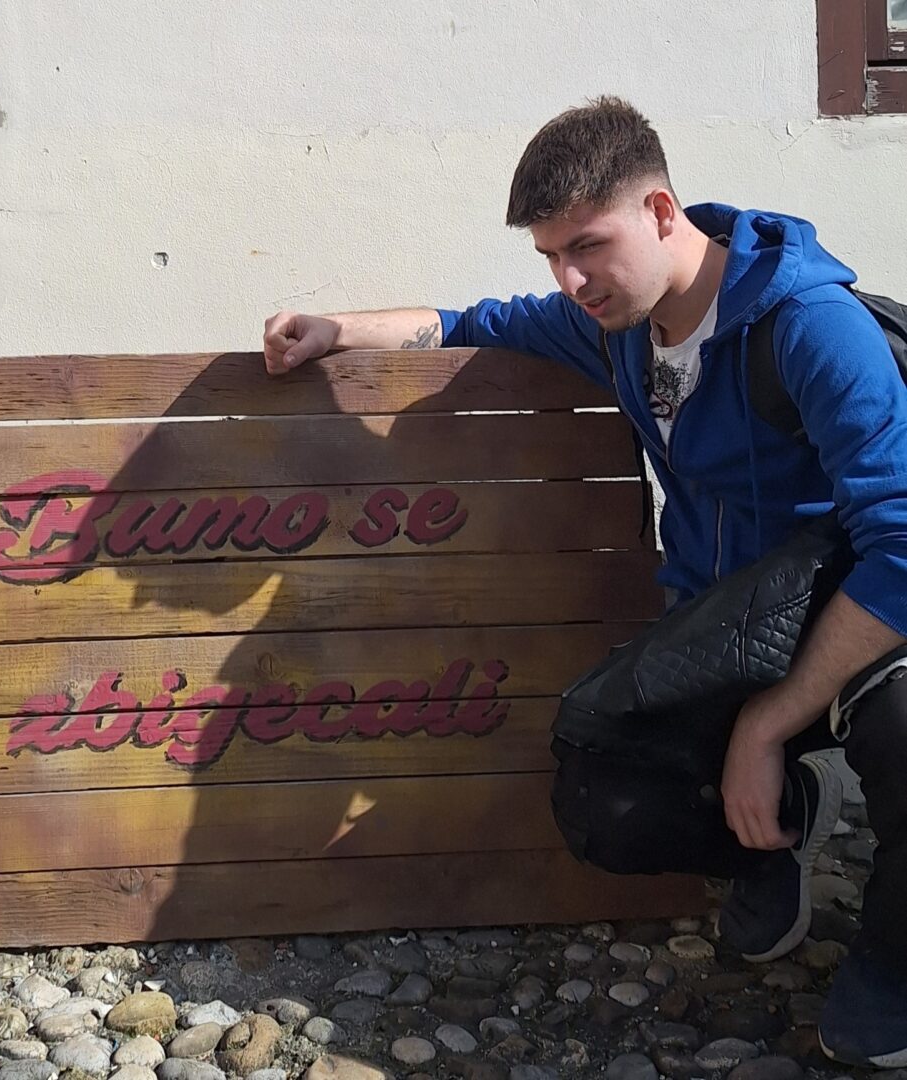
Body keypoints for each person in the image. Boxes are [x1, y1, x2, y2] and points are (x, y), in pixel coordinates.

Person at [262, 96, 907, 1068]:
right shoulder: (617, 325)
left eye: (587, 247)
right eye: (550, 257)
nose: (569, 279)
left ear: (660, 211)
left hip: (850, 618)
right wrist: (335, 327)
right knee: (600, 800)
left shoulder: (809, 328)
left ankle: (892, 963)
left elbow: (900, 546)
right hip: (718, 630)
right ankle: (774, 832)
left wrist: (765, 727)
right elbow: (468, 321)